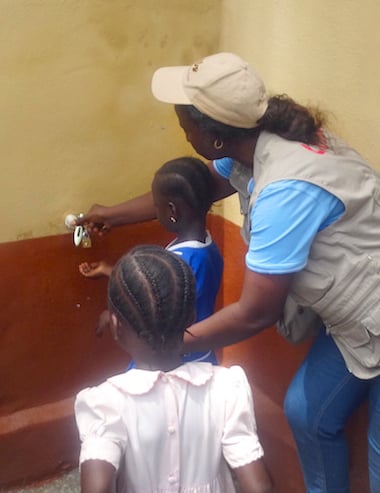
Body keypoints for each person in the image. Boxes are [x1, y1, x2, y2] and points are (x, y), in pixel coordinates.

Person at [76, 52, 380, 493]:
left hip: (371, 307)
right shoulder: (252, 146)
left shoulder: (285, 191)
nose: (185, 136)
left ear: (215, 138)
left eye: (186, 129)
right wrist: (111, 214)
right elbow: (187, 192)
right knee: (307, 413)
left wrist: (160, 344)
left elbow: (256, 310)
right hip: (358, 320)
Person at [75, 245, 273, 493]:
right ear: (191, 317)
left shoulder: (106, 404)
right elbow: (259, 487)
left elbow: (98, 487)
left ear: (116, 326)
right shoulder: (226, 388)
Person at [79, 157, 223, 364]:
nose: (155, 212)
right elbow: (158, 284)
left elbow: (154, 303)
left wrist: (112, 316)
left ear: (172, 210)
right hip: (201, 355)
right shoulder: (208, 247)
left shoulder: (182, 258)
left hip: (169, 362)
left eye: (157, 206)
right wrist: (108, 269)